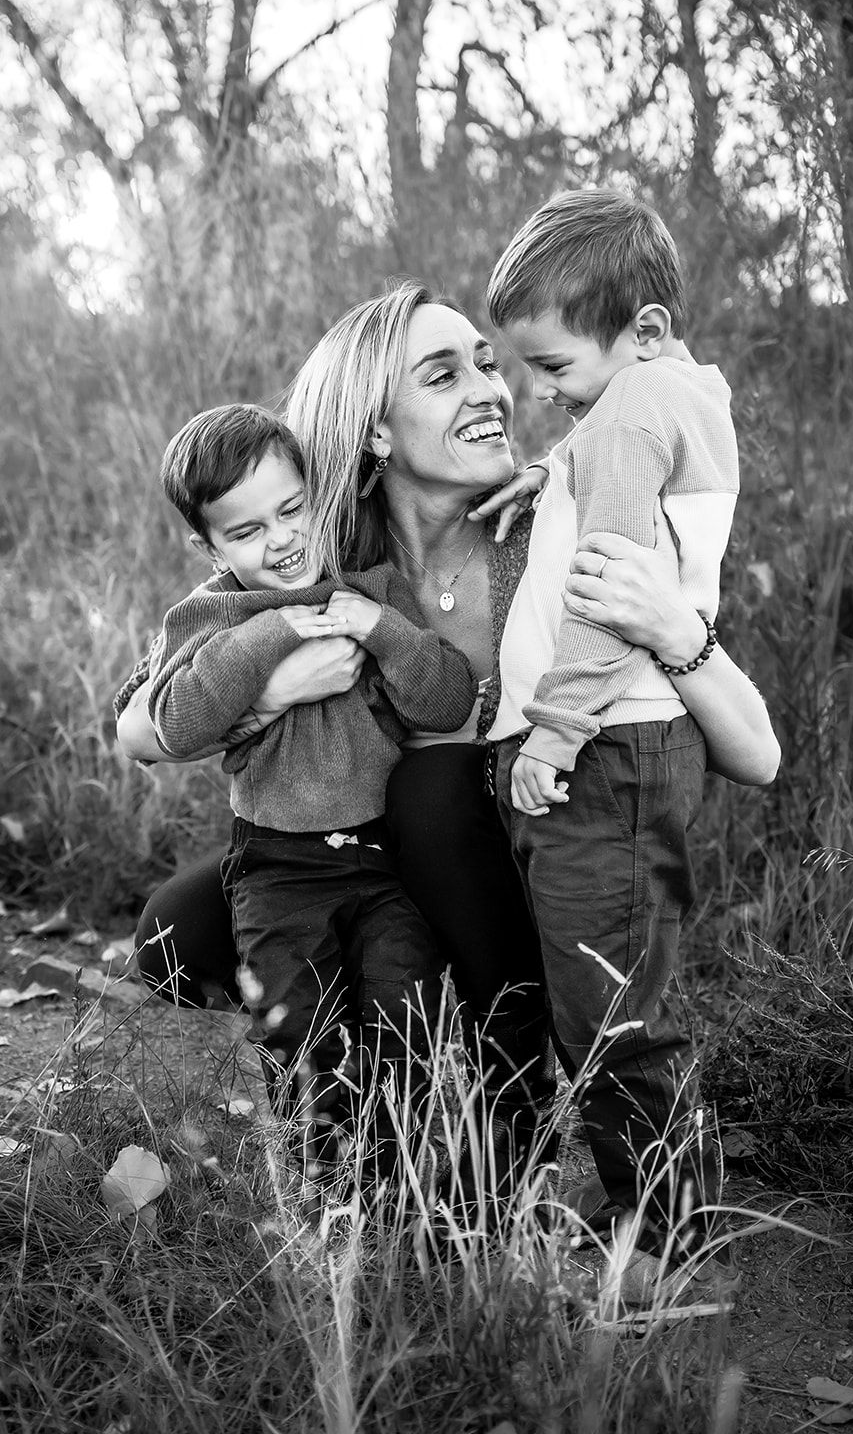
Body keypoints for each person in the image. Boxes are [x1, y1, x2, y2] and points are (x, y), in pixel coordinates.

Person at [115, 280, 779, 1201]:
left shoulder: (552, 524)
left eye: (485, 363)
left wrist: (674, 631)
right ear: (376, 432)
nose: (490, 389)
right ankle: (365, 1087)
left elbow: (756, 757)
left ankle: (511, 1077)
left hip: (518, 848)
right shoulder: (316, 549)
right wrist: (268, 691)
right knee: (174, 934)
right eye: (442, 374)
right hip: (357, 853)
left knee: (431, 790)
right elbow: (139, 724)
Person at [484, 188, 745, 1273]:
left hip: (606, 746)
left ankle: (673, 1233)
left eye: (553, 366)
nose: (539, 392)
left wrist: (551, 731)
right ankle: (642, 1201)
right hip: (618, 744)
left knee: (610, 1006)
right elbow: (623, 483)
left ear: (643, 329)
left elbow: (608, 588)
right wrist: (556, 471)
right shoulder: (647, 403)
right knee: (602, 993)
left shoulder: (635, 409)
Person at [144, 401, 476, 1186]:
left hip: (383, 862)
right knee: (298, 1025)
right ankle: (327, 1187)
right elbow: (175, 723)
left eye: (292, 509)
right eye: (246, 530)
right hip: (277, 870)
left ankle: (399, 1181)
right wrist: (277, 626)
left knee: (404, 1009)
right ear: (208, 547)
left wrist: (383, 629)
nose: (282, 538)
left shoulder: (370, 590)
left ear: (316, 495)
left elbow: (446, 701)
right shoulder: (209, 617)